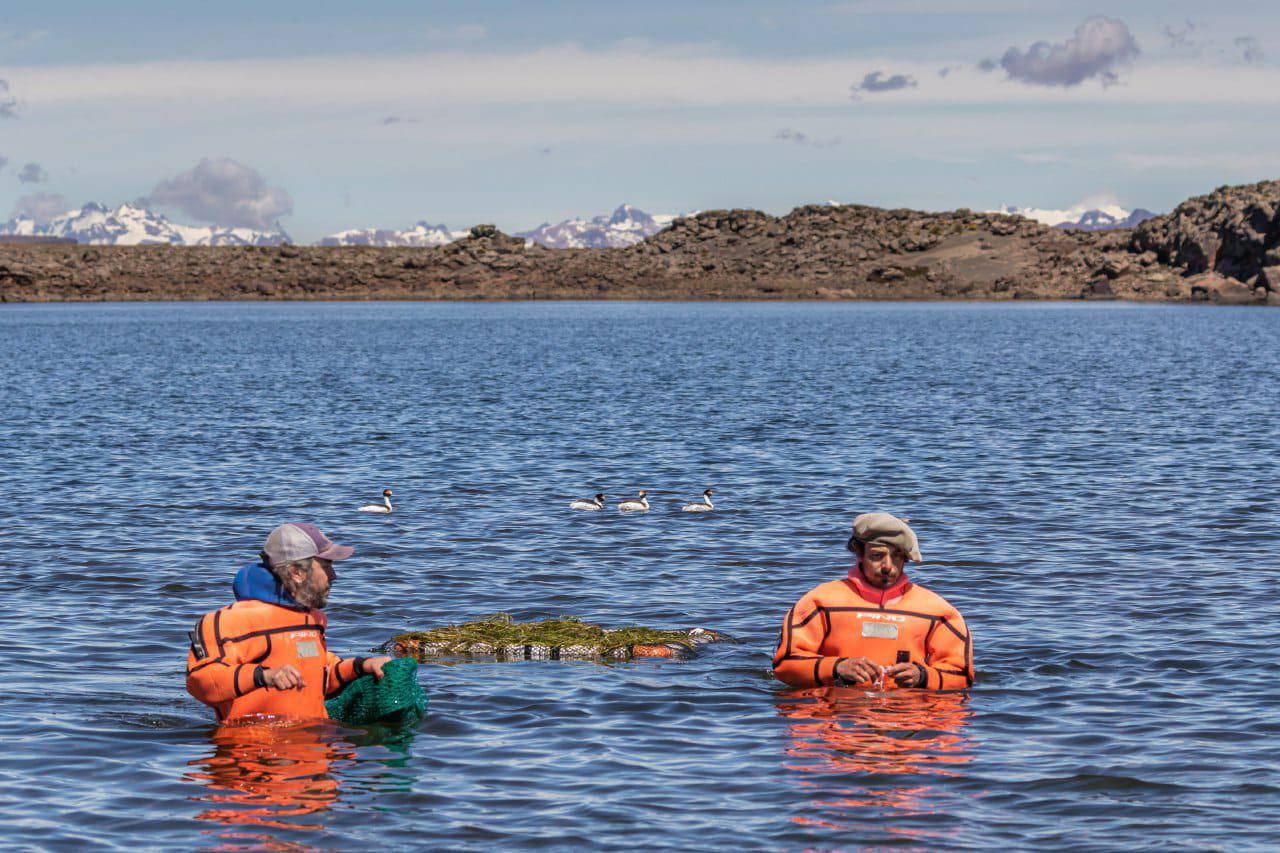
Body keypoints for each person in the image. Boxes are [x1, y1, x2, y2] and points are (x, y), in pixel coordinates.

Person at [186, 522, 392, 722]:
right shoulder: (228, 621)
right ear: (296, 572)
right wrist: (263, 676)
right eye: (327, 566)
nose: (334, 576)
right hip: (249, 748)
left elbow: (318, 677)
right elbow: (202, 682)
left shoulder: (312, 620)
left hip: (314, 746)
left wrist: (361, 666)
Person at [772, 512, 973, 690]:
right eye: (877, 556)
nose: (888, 566)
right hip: (838, 719)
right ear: (859, 554)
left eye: (897, 556)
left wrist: (922, 676)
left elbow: (962, 675)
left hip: (907, 721)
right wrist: (837, 667)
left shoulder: (938, 612)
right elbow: (785, 665)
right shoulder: (819, 603)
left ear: (906, 558)